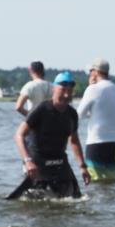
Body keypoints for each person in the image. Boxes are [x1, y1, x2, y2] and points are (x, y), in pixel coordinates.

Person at [10, 71, 91, 199]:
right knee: (33, 201)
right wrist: (27, 161)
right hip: (37, 162)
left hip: (60, 162)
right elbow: (19, 135)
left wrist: (83, 167)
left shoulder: (72, 114)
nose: (66, 95)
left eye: (70, 91)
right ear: (54, 89)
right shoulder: (41, 109)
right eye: (62, 90)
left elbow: (74, 141)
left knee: (75, 198)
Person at [77, 58, 115, 182]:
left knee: (94, 181)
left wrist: (89, 87)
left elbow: (79, 115)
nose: (90, 74)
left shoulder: (93, 89)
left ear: (95, 72)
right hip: (113, 144)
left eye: (91, 71)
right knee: (111, 181)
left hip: (96, 143)